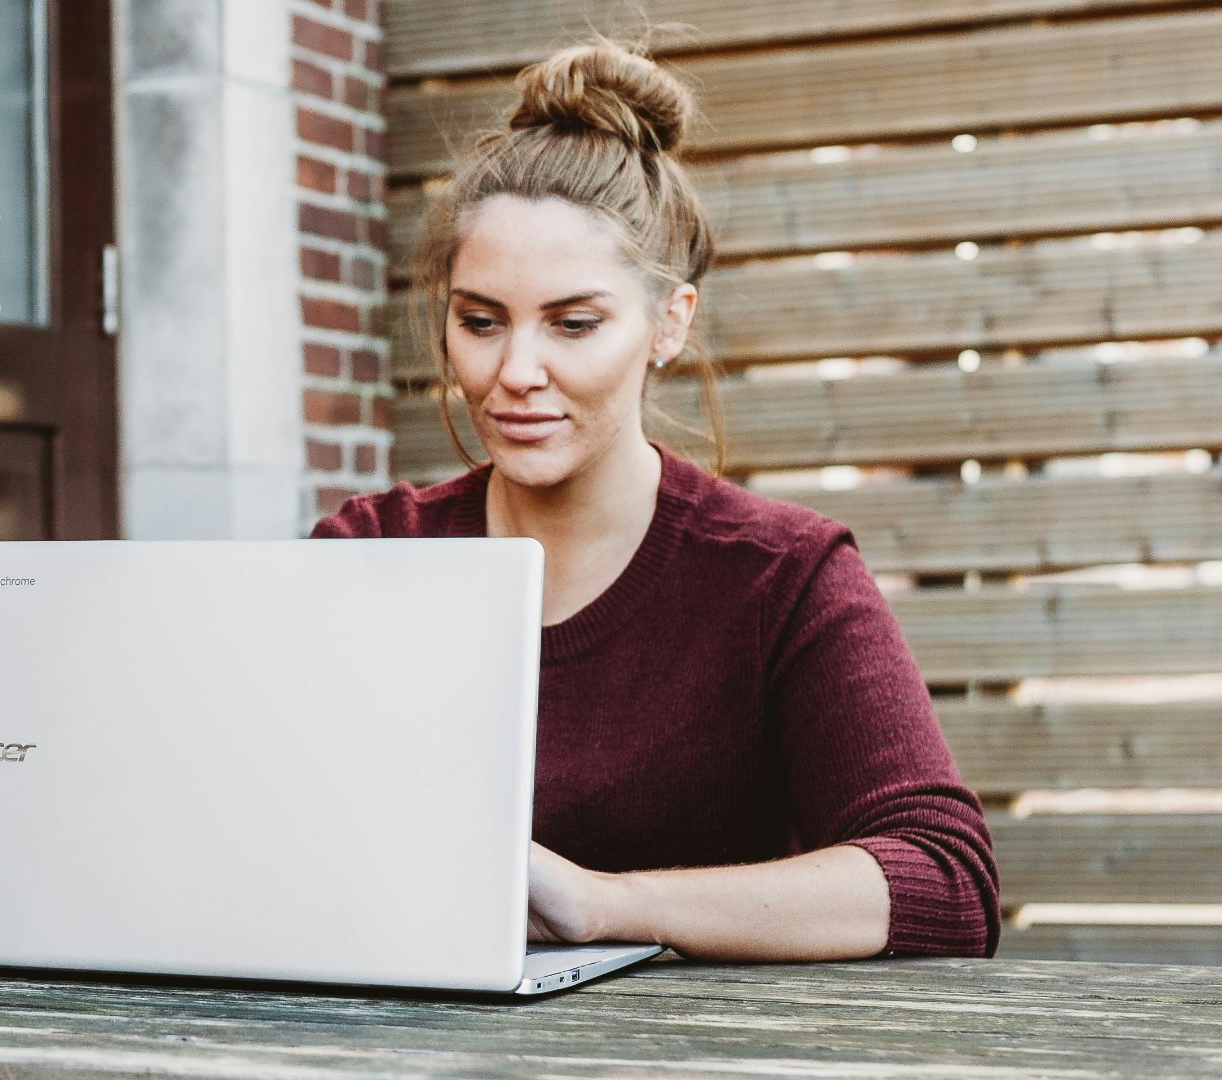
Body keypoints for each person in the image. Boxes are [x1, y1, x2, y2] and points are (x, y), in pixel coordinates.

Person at [309, 40, 998, 961]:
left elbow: (945, 881)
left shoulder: (781, 576)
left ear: (669, 324)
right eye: (480, 321)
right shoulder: (370, 550)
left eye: (574, 323)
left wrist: (605, 905)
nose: (515, 373)